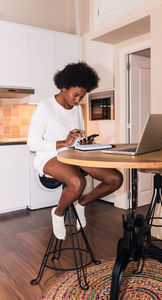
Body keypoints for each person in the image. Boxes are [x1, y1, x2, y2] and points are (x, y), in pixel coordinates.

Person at [27, 62, 123, 240]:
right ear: (64, 87)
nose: (78, 100)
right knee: (78, 183)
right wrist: (63, 142)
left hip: (75, 154)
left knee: (115, 179)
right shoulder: (44, 108)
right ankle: (58, 213)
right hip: (49, 156)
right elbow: (32, 144)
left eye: (82, 96)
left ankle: (82, 204)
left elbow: (76, 137)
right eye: (76, 94)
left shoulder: (77, 109)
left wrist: (83, 141)